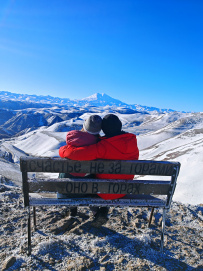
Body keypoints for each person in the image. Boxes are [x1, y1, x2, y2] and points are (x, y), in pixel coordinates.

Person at [59, 114, 139, 226]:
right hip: (123, 190)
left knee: (87, 179)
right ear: (120, 126)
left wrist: (63, 150)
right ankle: (100, 211)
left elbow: (75, 154)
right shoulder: (132, 143)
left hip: (104, 192)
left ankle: (76, 209)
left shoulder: (103, 146)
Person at [58, 114, 102, 217]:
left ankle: (72, 209)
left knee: (66, 172)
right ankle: (96, 212)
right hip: (87, 191)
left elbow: (63, 152)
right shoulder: (99, 146)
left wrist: (62, 150)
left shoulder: (72, 143)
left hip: (65, 191)